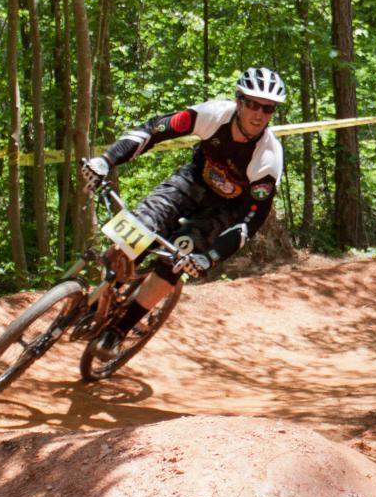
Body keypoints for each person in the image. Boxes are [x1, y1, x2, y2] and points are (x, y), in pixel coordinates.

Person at [79, 66, 286, 358]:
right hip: (191, 183)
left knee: (176, 259)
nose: (259, 114)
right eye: (252, 104)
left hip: (223, 210)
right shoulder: (212, 115)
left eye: (268, 109)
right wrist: (106, 160)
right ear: (239, 101)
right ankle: (101, 296)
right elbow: (154, 130)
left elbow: (251, 222)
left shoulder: (268, 158)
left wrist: (210, 257)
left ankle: (119, 330)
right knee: (134, 232)